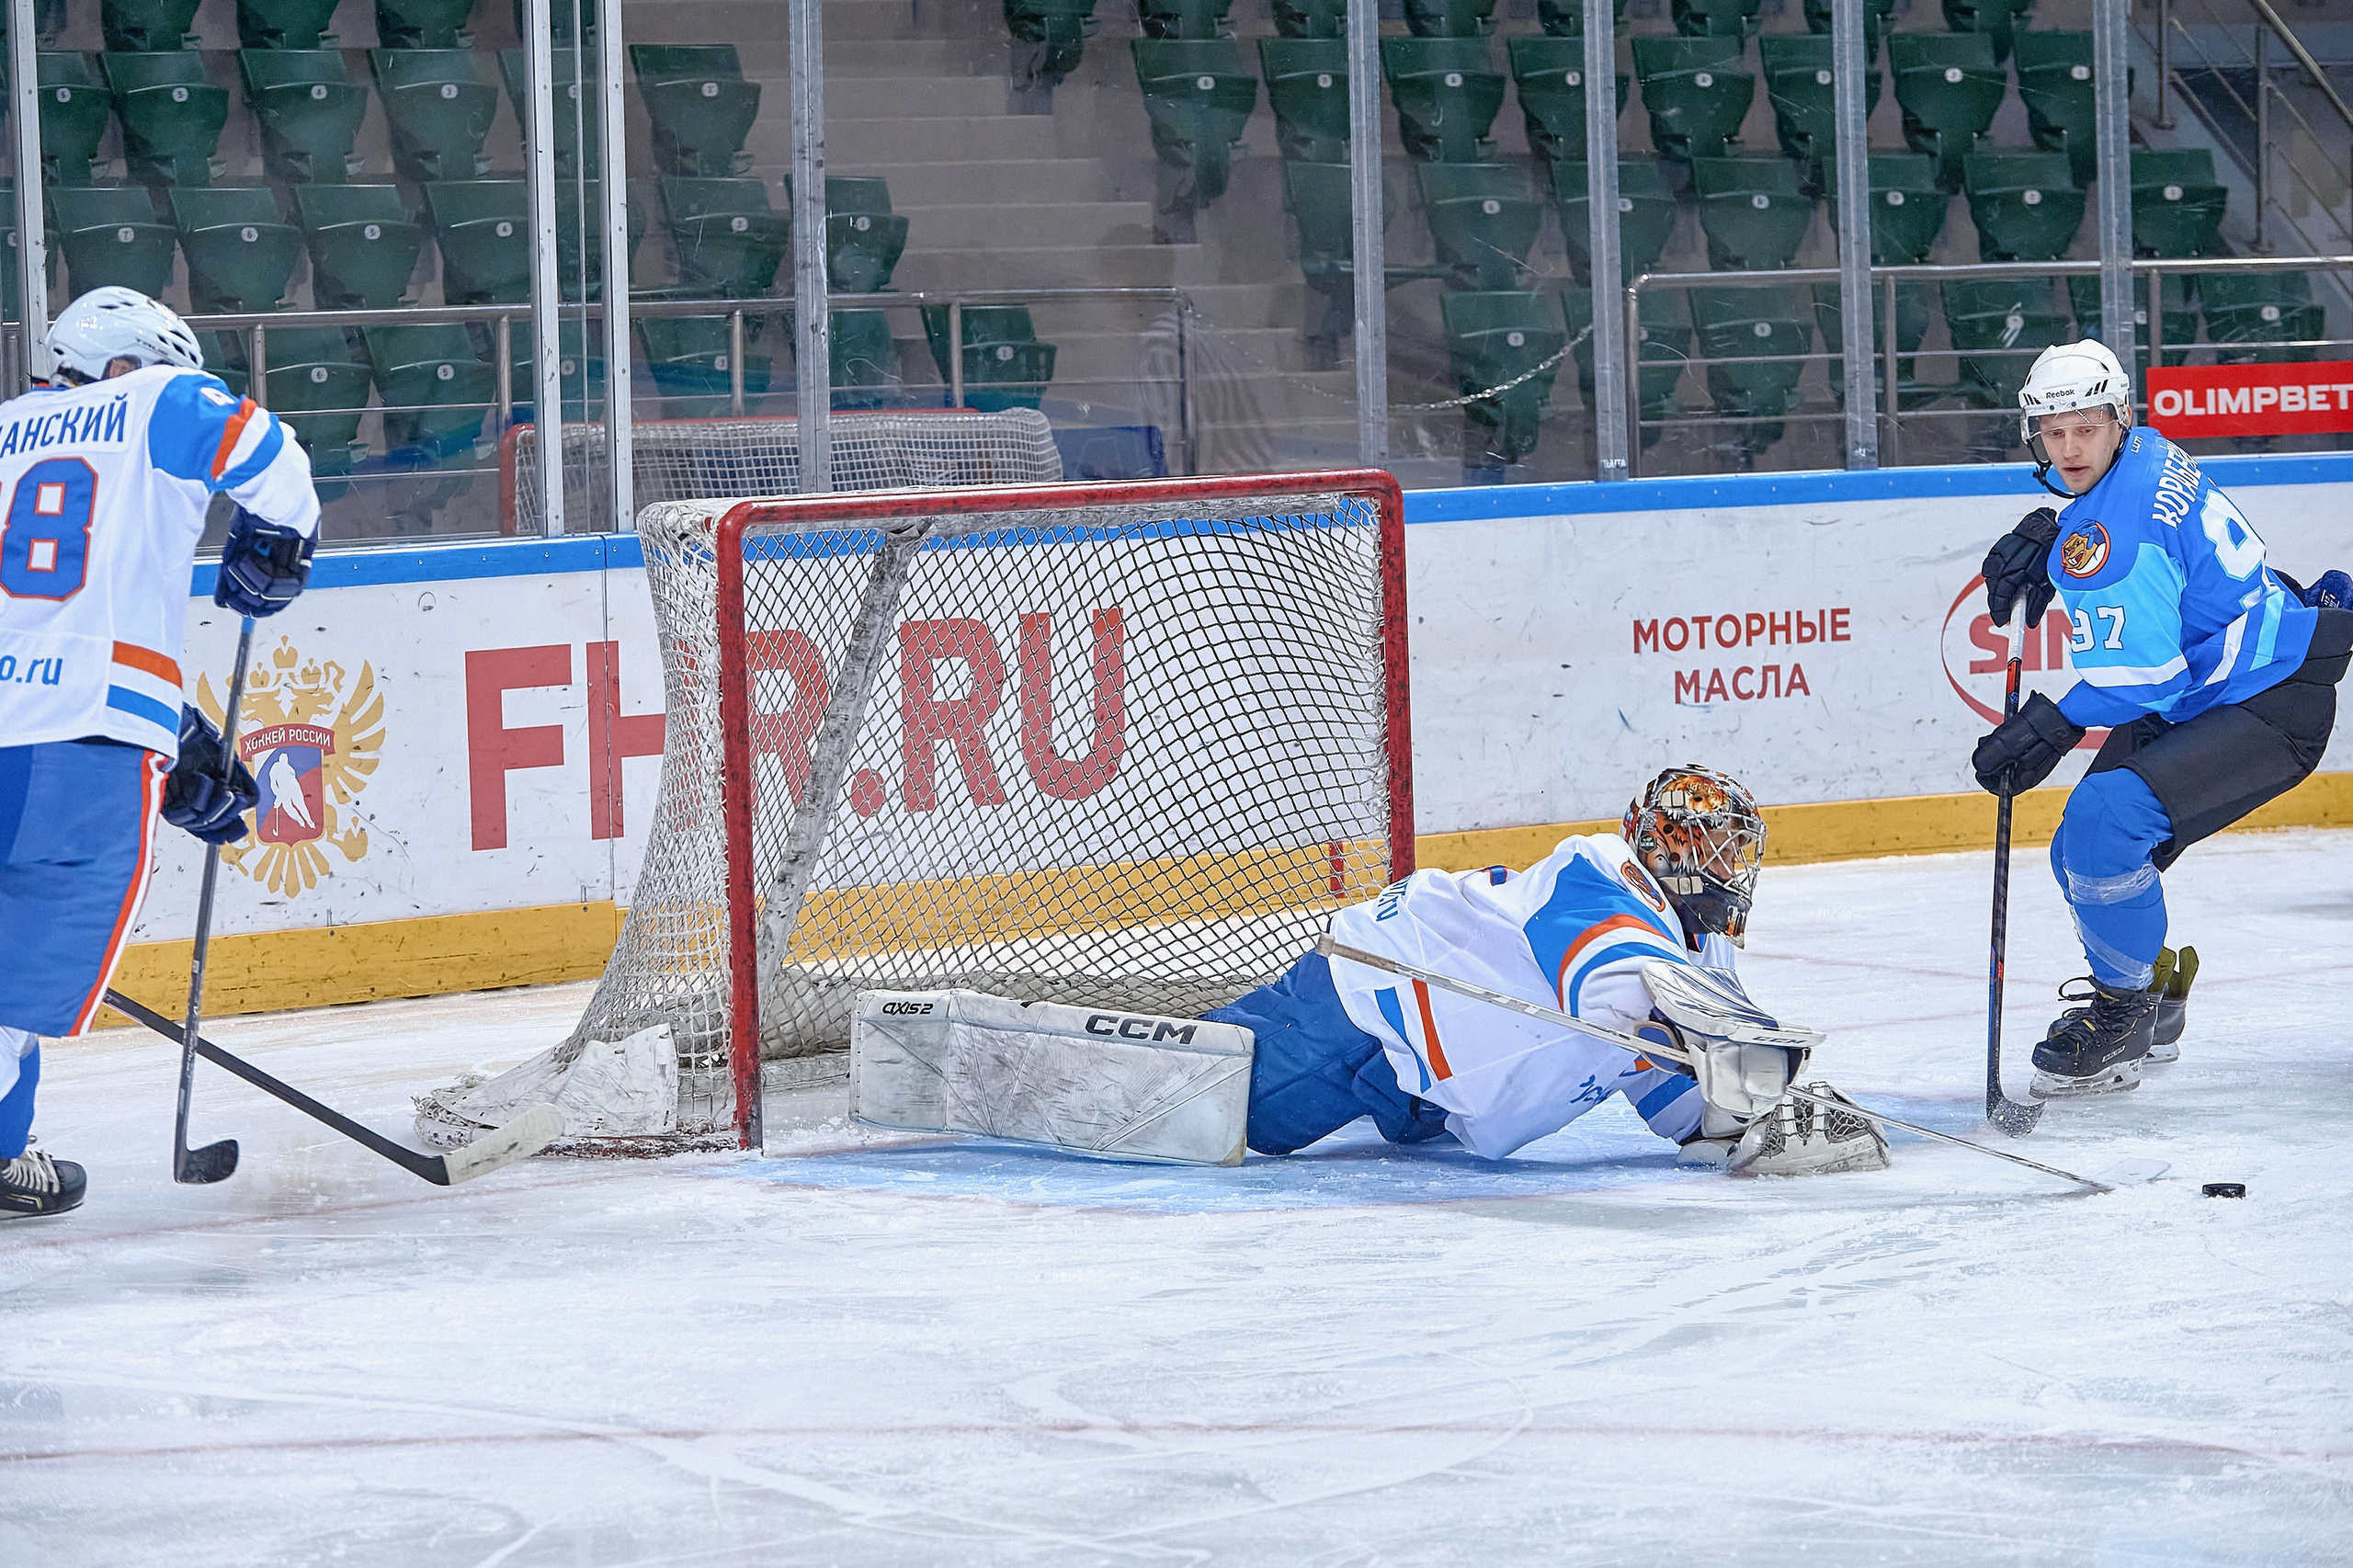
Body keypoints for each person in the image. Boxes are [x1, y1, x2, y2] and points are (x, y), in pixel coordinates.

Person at [0, 288, 320, 1218]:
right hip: (82, 748)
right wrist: (277, 540)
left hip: (45, 720)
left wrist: (174, 734)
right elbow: (269, 452)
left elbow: (45, 615)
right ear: (127, 366)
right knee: (21, 982)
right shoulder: (154, 402)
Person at [1973, 339, 2353, 1098]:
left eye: (2087, 427)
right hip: (2224, 682)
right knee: (2079, 855)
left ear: (2117, 420)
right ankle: (2153, 992)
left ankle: (2122, 1016)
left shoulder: (2113, 540)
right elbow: (2153, 555)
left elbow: (2143, 677)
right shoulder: (2146, 452)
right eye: (2055, 432)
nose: (2072, 447)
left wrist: (2049, 723)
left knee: (2103, 825)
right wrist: (2057, 549)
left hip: (2269, 700)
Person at [1206, 766, 1886, 1175]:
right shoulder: (1600, 872)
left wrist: (1759, 1120)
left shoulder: (1698, 953)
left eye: (1737, 852)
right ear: (1664, 843)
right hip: (1376, 998)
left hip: (1443, 1098)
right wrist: (1748, 1057)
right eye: (1712, 846)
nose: (1728, 868)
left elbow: (1678, 1100)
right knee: (1223, 1106)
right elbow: (1607, 981)